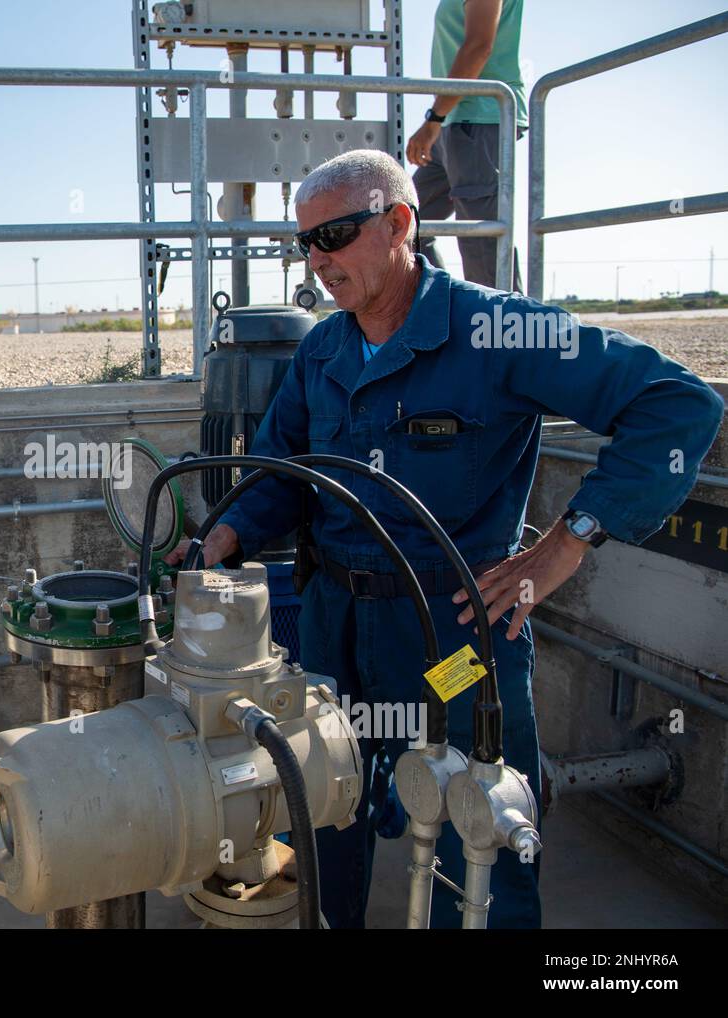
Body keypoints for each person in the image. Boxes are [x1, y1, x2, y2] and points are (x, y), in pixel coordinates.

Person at [167, 149, 724, 929]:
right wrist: (226, 532)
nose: (321, 259)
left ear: (399, 222)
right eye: (307, 243)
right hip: (335, 629)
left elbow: (678, 405)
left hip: (456, 639)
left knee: (482, 823)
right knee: (324, 804)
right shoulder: (322, 352)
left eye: (336, 233)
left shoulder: (496, 331)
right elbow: (283, 471)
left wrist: (561, 548)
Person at [407, 0, 526, 290]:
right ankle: (448, 301)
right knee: (406, 225)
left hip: (479, 116)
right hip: (453, 119)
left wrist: (434, 118)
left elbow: (478, 46)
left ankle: (511, 328)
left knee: (482, 242)